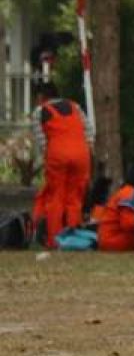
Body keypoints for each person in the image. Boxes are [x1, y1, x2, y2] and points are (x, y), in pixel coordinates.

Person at [30, 81, 94, 249]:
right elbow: (89, 132)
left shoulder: (40, 111)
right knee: (75, 198)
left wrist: (48, 158)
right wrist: (86, 151)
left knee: (55, 197)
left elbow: (42, 142)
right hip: (81, 154)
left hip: (58, 154)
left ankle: (55, 240)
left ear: (40, 97)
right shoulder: (75, 107)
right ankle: (72, 237)